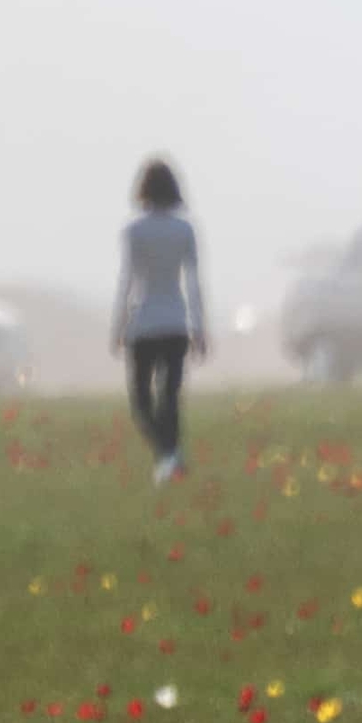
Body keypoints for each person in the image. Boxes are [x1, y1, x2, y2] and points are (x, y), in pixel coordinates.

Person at [112, 158, 207, 482]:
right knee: (170, 398)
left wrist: (118, 325)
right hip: (176, 323)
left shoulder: (133, 230)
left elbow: (127, 281)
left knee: (141, 401)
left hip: (143, 324)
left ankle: (167, 455)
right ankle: (171, 455)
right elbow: (193, 282)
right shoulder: (185, 230)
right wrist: (200, 327)